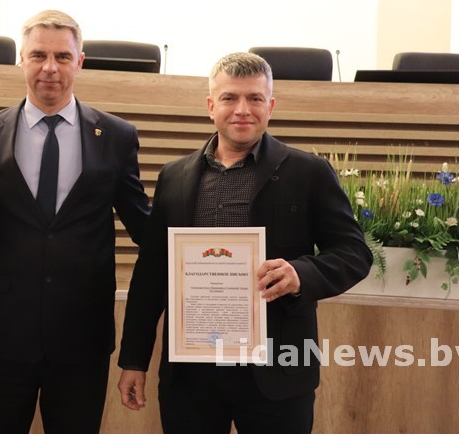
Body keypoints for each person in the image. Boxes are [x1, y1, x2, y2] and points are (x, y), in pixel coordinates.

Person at [117, 51, 372, 433]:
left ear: (270, 106)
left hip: (278, 370)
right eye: (229, 98)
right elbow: (152, 274)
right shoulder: (174, 176)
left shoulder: (309, 172)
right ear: (211, 106)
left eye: (254, 98)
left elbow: (355, 253)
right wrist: (134, 360)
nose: (242, 110)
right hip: (192, 374)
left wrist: (300, 274)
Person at [0, 9, 151, 433]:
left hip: (82, 337)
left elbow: (144, 226)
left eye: (62, 57)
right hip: (3, 337)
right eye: (38, 55)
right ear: (22, 60)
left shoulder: (117, 137)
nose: (50, 67)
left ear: (79, 62)